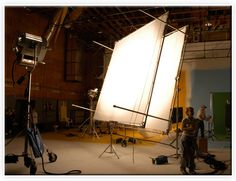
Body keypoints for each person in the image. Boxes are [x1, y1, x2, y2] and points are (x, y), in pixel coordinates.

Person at [180, 107, 198, 175]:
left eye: (192, 111)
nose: (192, 112)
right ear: (187, 112)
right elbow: (182, 128)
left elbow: (195, 129)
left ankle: (191, 169)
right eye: (190, 111)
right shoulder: (184, 119)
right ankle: (183, 168)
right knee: (184, 153)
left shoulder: (194, 120)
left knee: (192, 154)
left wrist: (193, 130)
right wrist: (189, 128)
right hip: (185, 137)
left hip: (192, 137)